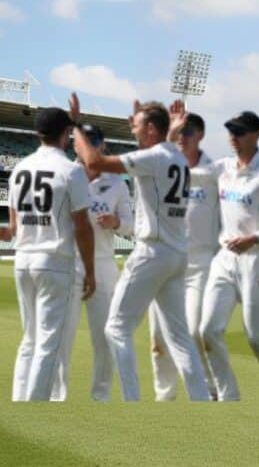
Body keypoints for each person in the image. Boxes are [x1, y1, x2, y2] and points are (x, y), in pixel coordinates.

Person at [73, 96, 209, 401]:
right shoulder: (176, 157)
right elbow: (160, 151)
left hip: (152, 253)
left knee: (116, 330)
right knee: (180, 339)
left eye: (136, 123)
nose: (130, 125)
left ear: (150, 128)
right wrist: (170, 131)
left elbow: (93, 162)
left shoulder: (154, 158)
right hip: (177, 254)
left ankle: (132, 400)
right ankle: (201, 399)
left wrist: (77, 125)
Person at [2, 95, 95, 401]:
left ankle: (20, 399)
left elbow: (12, 229)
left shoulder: (19, 170)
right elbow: (82, 226)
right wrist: (90, 271)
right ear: (65, 134)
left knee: (29, 341)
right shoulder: (70, 171)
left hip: (23, 261)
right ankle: (35, 406)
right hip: (54, 262)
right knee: (47, 343)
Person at [199, 111, 259, 401]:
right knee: (208, 330)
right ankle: (225, 394)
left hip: (257, 259)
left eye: (239, 132)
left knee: (256, 336)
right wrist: (173, 136)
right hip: (225, 258)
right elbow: (189, 174)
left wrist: (254, 237)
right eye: (231, 132)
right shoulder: (224, 168)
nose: (233, 138)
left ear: (256, 135)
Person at [51, 124, 134, 401]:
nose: (90, 148)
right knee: (62, 339)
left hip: (103, 266)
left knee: (105, 338)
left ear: (102, 146)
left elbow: (132, 226)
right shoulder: (64, 176)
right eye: (85, 142)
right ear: (77, 145)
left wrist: (116, 222)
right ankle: (56, 399)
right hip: (69, 264)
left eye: (94, 143)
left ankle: (101, 397)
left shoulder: (117, 183)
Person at [149, 113, 219, 401]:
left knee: (192, 330)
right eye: (178, 133)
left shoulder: (214, 174)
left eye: (188, 133)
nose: (183, 138)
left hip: (199, 265)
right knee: (158, 341)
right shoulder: (165, 169)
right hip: (164, 262)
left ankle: (210, 390)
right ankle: (164, 397)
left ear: (200, 135)